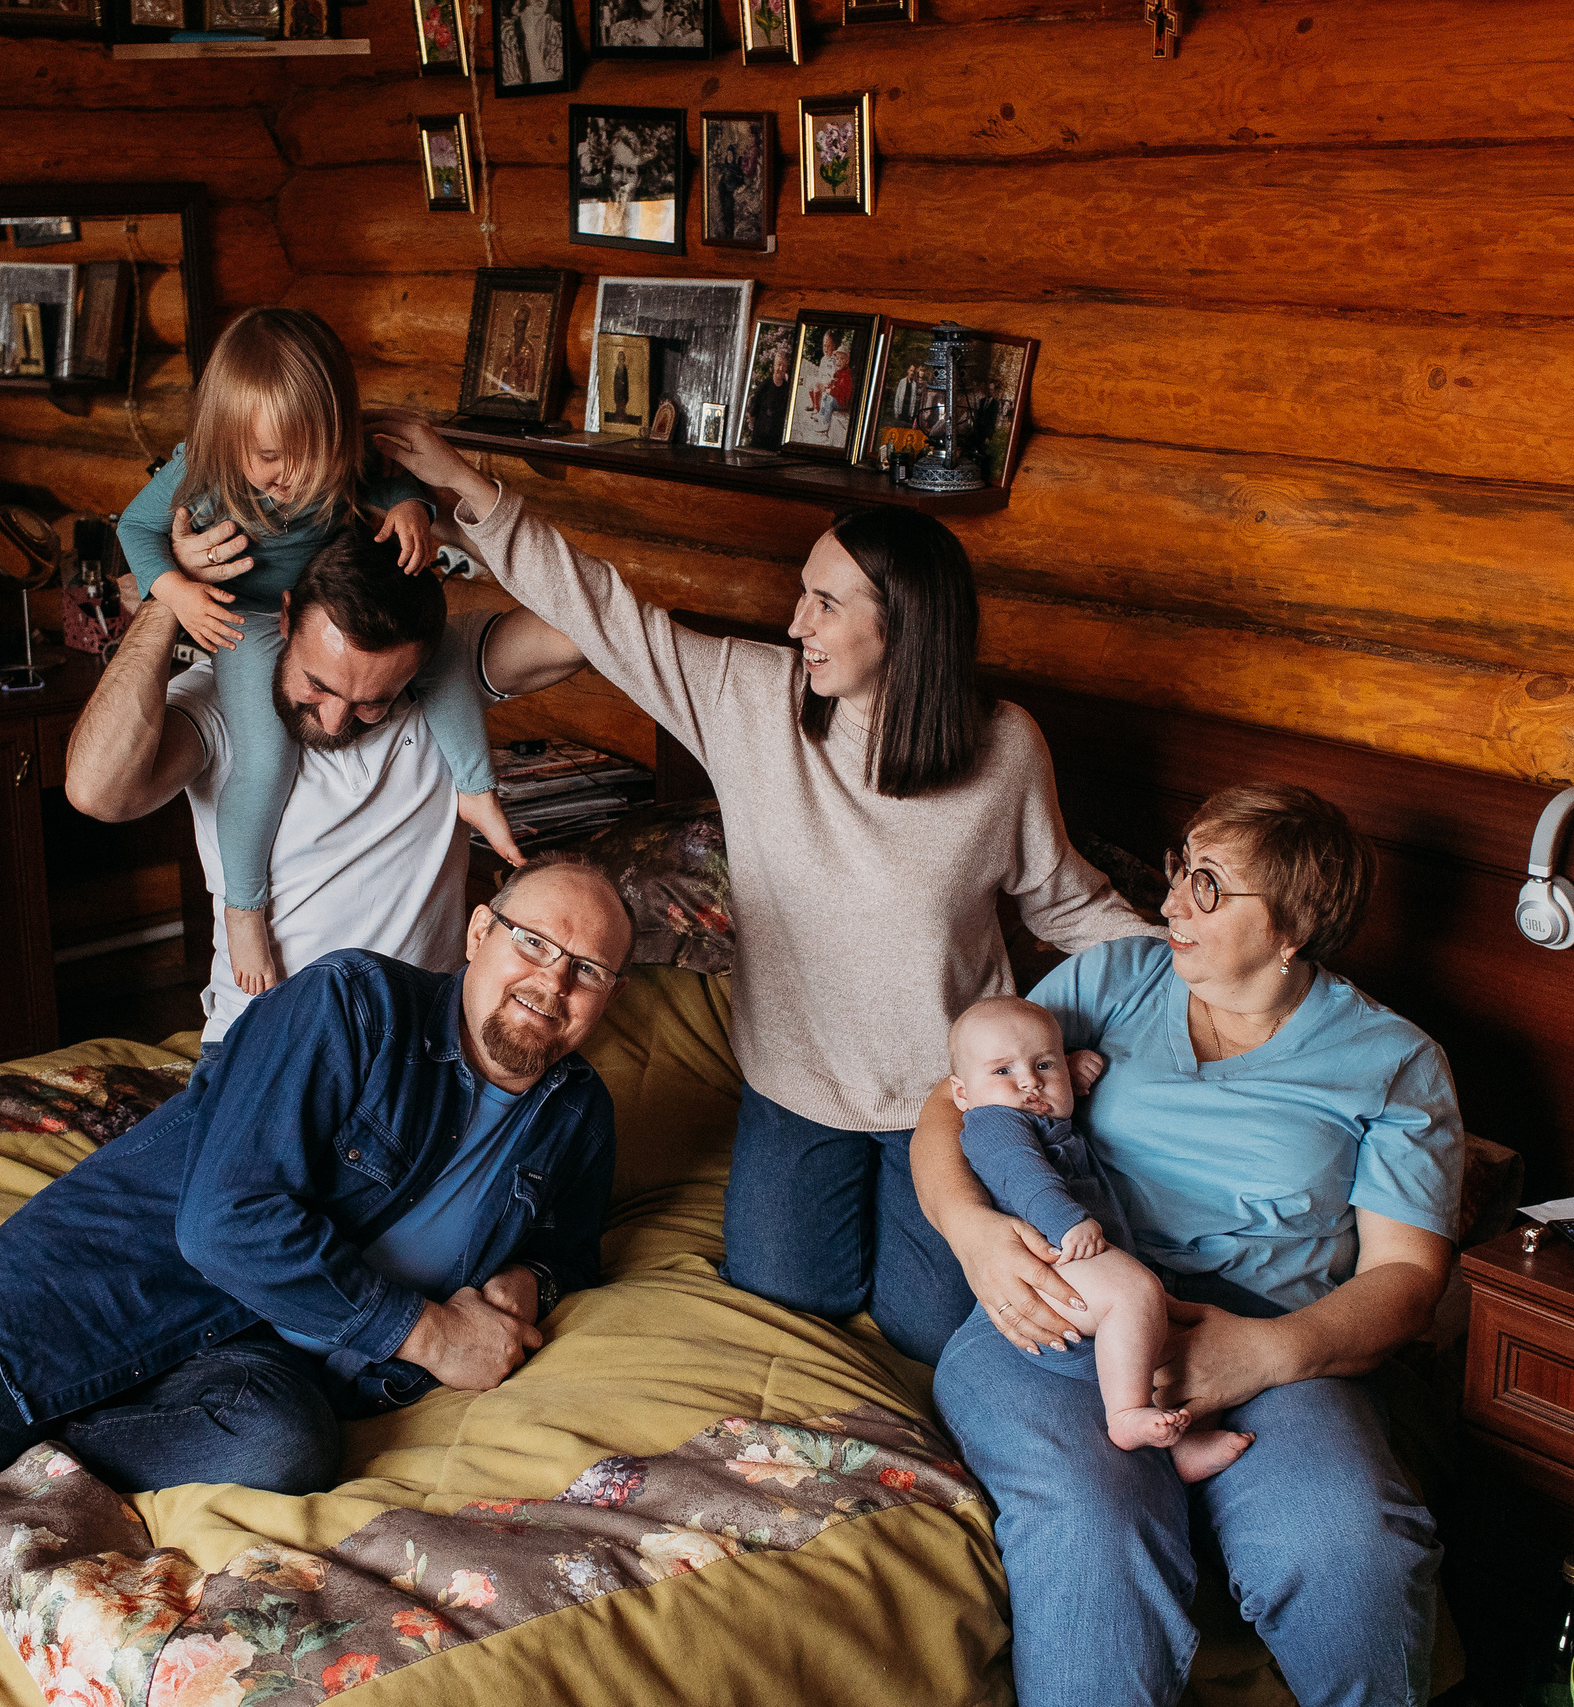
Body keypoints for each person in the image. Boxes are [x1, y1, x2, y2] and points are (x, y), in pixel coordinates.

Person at [0, 858, 635, 1707]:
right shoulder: (350, 1007)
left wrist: (525, 1284)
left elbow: (569, 1247)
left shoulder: (574, 1114)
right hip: (85, 1293)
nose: (552, 980)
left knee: (287, 1445)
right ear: (476, 933)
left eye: (588, 968)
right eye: (532, 942)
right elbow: (229, 1226)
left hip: (256, 1356)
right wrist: (424, 1333)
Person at [362, 408, 1157, 1367]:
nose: (796, 622)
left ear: (901, 624)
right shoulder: (755, 700)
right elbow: (605, 612)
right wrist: (464, 484)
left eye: (825, 603)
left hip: (944, 1097)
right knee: (792, 1293)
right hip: (793, 1083)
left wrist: (1200, 976)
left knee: (929, 1328)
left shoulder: (1005, 749)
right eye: (801, 596)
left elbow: (1065, 900)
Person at [913, 782, 1464, 1707]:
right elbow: (952, 1099)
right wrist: (972, 1235)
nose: (1171, 900)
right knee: (1095, 1527)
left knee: (1350, 1544)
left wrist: (1265, 1350)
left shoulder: (1394, 1061)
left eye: (1208, 884)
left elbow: (1408, 1275)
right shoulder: (1113, 979)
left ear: (1293, 926)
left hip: (1267, 1340)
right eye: (1181, 867)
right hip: (1060, 1317)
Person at [116, 306, 524, 1000]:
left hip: (330, 608)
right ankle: (244, 904)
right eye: (270, 458)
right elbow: (138, 527)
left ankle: (476, 789)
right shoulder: (203, 469)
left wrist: (413, 512)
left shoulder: (338, 456)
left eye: (309, 455)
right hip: (248, 620)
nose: (290, 476)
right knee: (265, 759)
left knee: (443, 660)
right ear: (228, 436)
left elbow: (394, 485)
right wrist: (176, 592)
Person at [66, 524, 591, 1041]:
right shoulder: (222, 702)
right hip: (267, 1048)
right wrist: (167, 593)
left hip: (417, 1049)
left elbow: (590, 625)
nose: (337, 720)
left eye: (372, 702)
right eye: (318, 685)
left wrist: (453, 523)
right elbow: (97, 792)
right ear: (289, 616)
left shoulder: (444, 677)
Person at [946, 996, 1251, 1482]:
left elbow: (1053, 1106)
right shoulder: (993, 1123)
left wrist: (1072, 1070)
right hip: (1051, 1261)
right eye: (1002, 1071)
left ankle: (1186, 1445)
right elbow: (1022, 1178)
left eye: (1043, 1064)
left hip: (1083, 1262)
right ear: (962, 1093)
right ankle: (1125, 1415)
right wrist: (1067, 1221)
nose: (1029, 1081)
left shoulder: (1041, 1114)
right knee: (1136, 1295)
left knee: (1180, 1334)